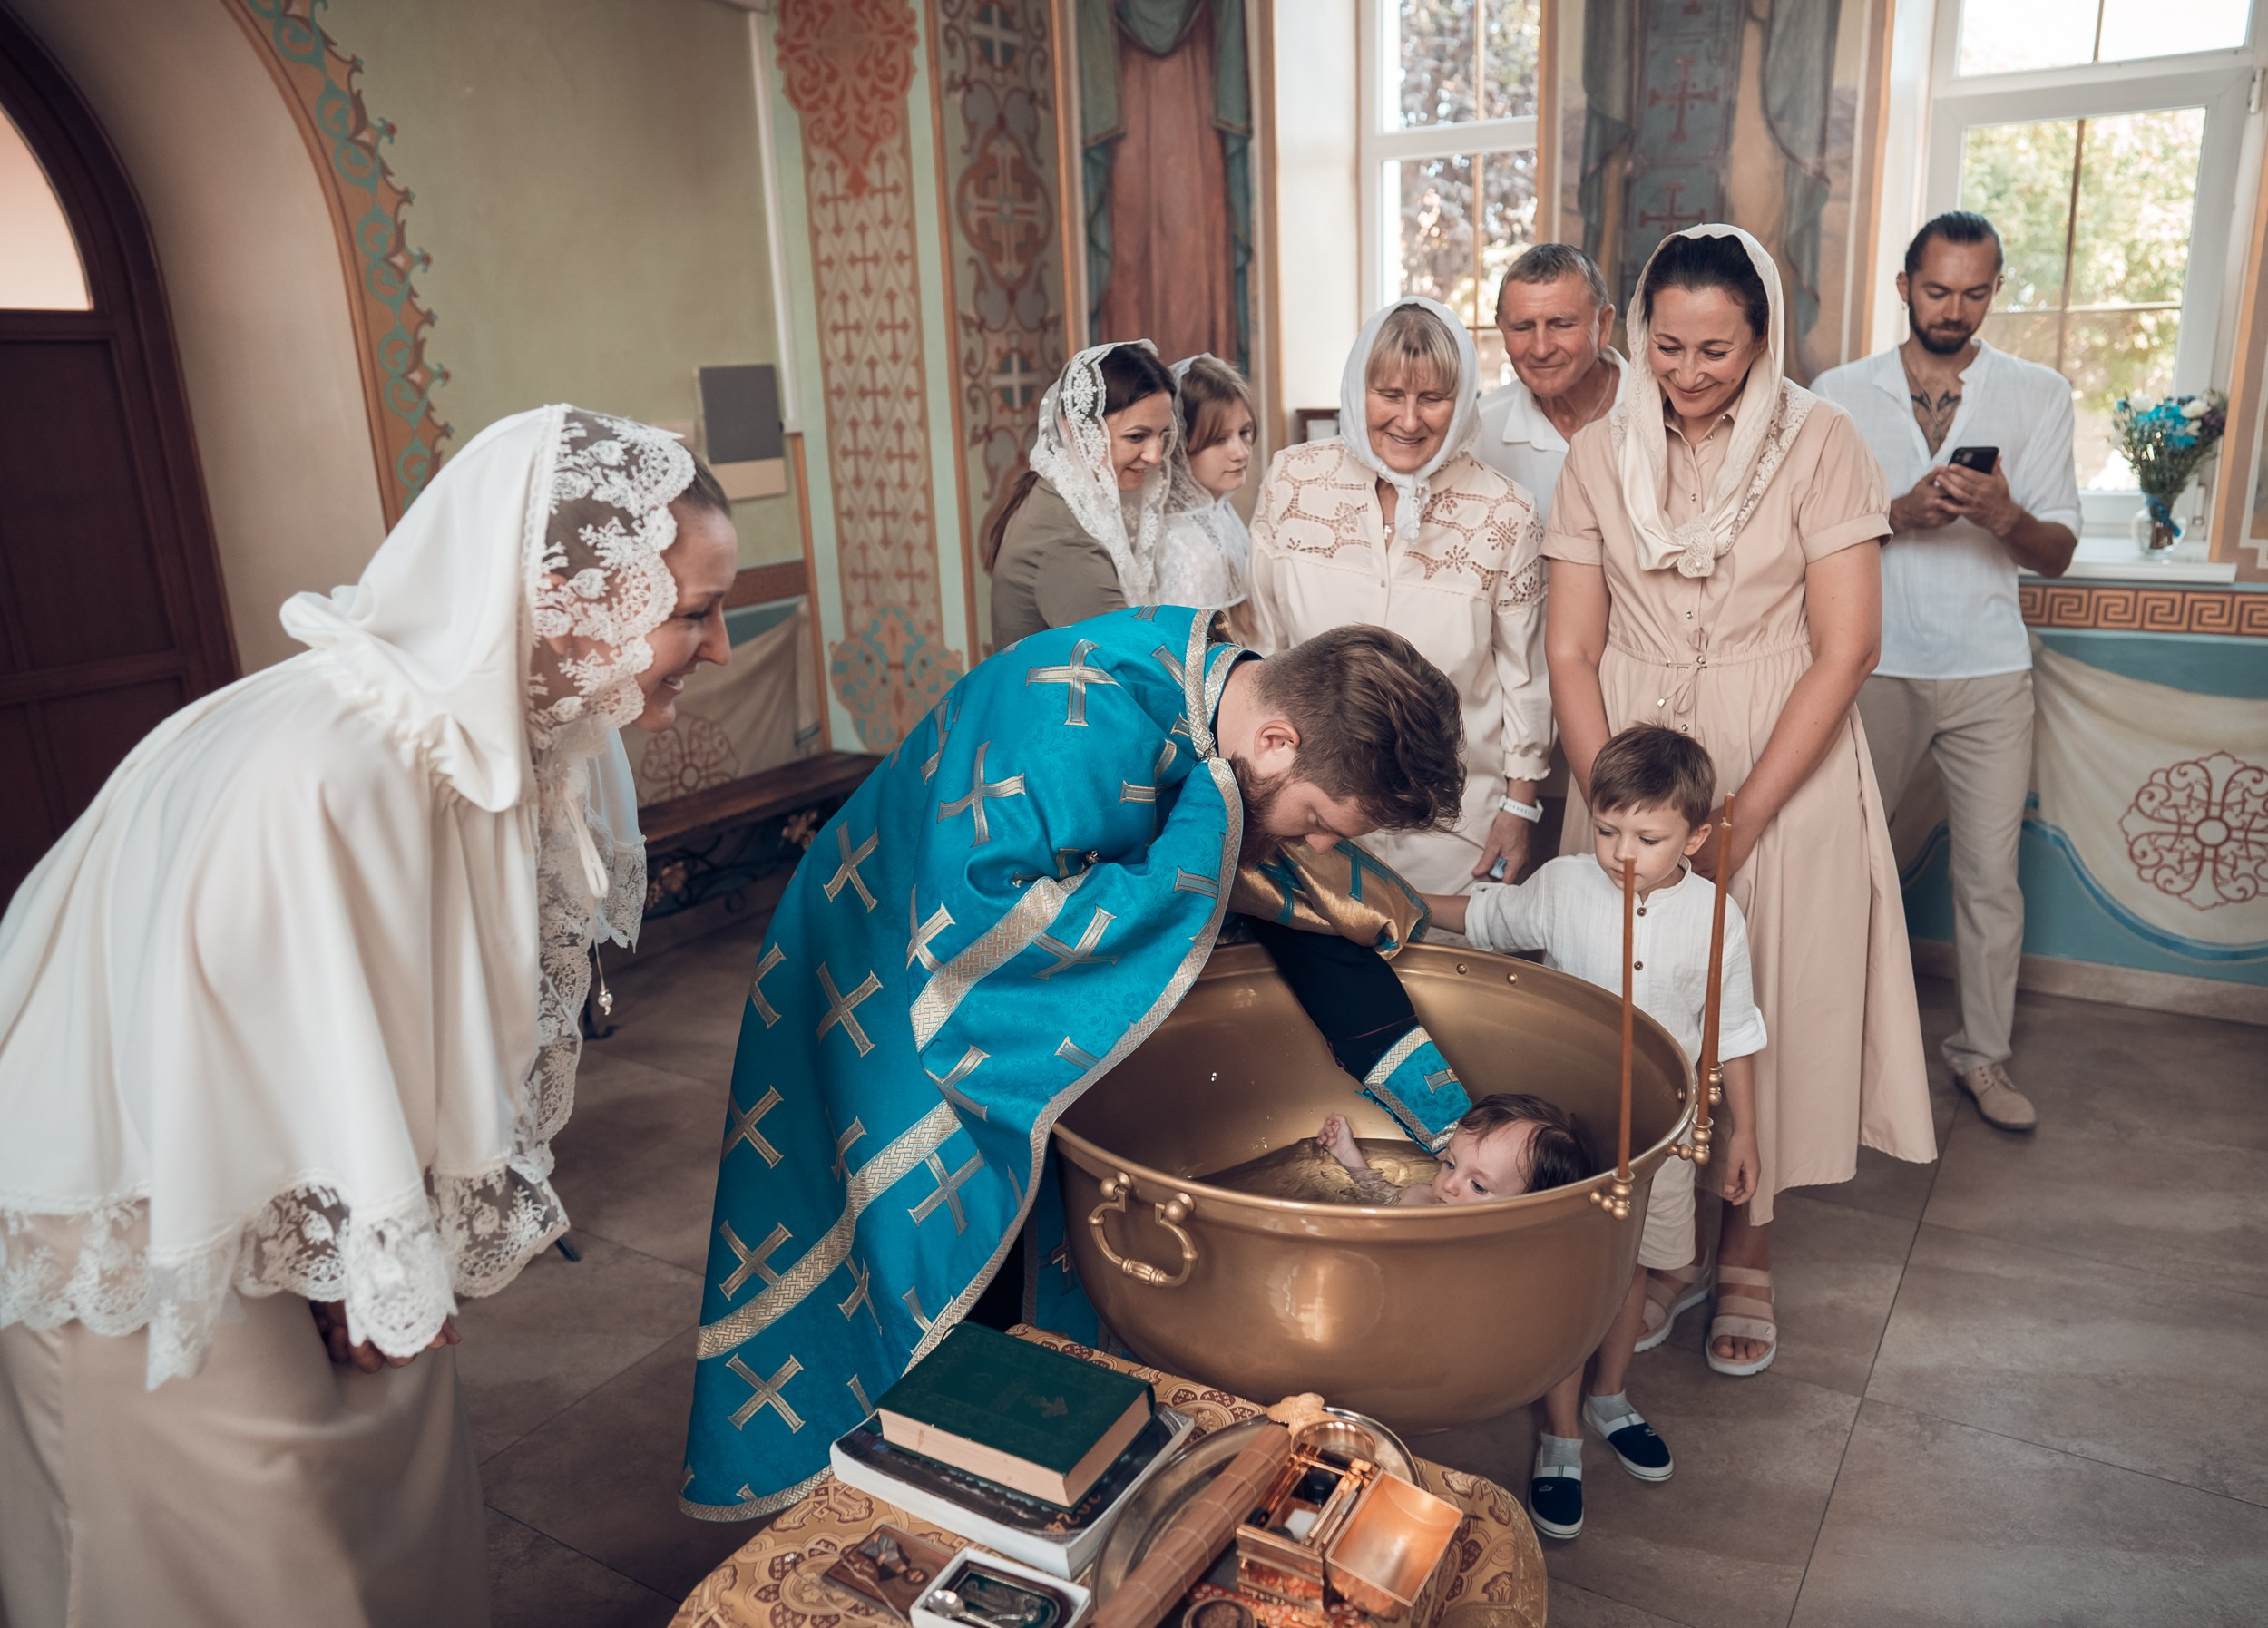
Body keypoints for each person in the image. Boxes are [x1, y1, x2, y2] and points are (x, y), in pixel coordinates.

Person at [0, 406, 736, 1627]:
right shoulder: (333, 766)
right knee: (253, 1547)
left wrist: (374, 1260)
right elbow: (216, 1043)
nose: (715, 646)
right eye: (692, 611)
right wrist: (359, 1249)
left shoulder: (512, 733)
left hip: (311, 1191)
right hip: (156, 1211)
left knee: (384, 1508)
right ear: (566, 601)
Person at [681, 609, 1468, 1519]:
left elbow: (1297, 911)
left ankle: (1003, 1460)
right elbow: (976, 950)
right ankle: (924, 1497)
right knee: (928, 1241)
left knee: (1012, 1234)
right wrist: (1193, 854)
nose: (1318, 846)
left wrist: (1451, 1123)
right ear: (1277, 739)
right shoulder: (1071, 723)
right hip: (884, 975)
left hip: (958, 977)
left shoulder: (1226, 726)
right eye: (1321, 822)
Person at [1542, 224, 1935, 1380]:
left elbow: (1847, 644)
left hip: (1780, 749)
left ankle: (1748, 1241)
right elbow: (1571, 646)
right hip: (1623, 751)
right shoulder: (1597, 455)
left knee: (1767, 1003)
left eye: (1716, 349)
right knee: (1631, 1008)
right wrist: (1617, 806)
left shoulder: (1821, 442)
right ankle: (1651, 1248)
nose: (1689, 371)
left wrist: (1746, 812)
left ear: (1761, 336)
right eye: (1667, 346)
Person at [1427, 725, 1765, 1538]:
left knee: (1633, 1272)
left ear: (1696, 834)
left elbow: (1734, 1031)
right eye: (1608, 829)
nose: (1622, 852)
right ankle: (1563, 1434)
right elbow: (1485, 919)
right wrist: (1389, 907)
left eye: (1647, 838)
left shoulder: (1716, 915)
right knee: (1573, 1281)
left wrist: (1745, 1133)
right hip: (1568, 1137)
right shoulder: (1568, 883)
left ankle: (1610, 1396)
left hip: (1664, 1142)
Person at [1810, 211, 2080, 1133]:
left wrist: (2002, 514)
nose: (1953, 310)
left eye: (1973, 292)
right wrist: (1896, 510)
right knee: (1842, 864)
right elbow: (1800, 538)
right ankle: (1829, 1047)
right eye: (1936, 291)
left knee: (1989, 880)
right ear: (1902, 286)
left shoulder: (2037, 394)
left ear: (1994, 291)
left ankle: (1983, 1057)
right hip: (1868, 664)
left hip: (1989, 669)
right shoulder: (1835, 394)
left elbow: (2056, 554)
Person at [1246, 297, 1553, 897]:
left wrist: (1520, 809)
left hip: (1454, 827)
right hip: (1311, 816)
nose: (1410, 421)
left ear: (1462, 400)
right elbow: (1263, 647)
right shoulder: (1292, 480)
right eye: (1390, 394)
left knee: (1452, 983)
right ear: (1359, 389)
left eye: (1432, 398)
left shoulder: (1506, 511)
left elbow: (1525, 679)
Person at [987, 340, 1179, 643]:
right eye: (1137, 436)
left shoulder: (1061, 493)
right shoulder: (1066, 542)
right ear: (1077, 431)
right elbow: (1125, 660)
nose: (1155, 456)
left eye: (1162, 434)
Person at [1474, 243, 1626, 521]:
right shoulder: (1477, 431)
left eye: (1561, 324)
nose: (1541, 349)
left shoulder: (1667, 412)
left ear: (1603, 325)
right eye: (1522, 328)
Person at [1317, 1093, 1589, 1206]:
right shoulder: (1424, 1199)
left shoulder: (1501, 1254)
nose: (1450, 1185)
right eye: (1450, 1164)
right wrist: (1348, 1155)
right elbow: (1383, 1197)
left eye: (1478, 1187)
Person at [1151, 353, 1256, 616]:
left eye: (1244, 432)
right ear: (1178, 448)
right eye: (1219, 439)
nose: (1241, 452)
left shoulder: (1216, 511)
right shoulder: (1185, 542)